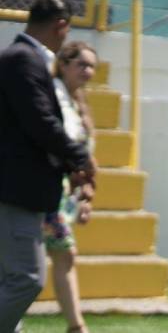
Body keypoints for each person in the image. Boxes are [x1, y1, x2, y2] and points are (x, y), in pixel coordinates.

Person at [0, 0, 96, 333]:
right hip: (16, 191)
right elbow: (40, 122)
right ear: (61, 26)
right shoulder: (24, 59)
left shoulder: (20, 58)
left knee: (10, 280)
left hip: (21, 190)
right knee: (26, 279)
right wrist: (79, 156)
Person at [43, 42, 99, 333]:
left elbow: (85, 155)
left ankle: (75, 326)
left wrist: (86, 197)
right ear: (63, 64)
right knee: (63, 254)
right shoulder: (52, 96)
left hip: (64, 194)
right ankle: (76, 327)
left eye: (91, 67)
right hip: (45, 189)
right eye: (82, 64)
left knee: (62, 255)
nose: (87, 71)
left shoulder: (79, 103)